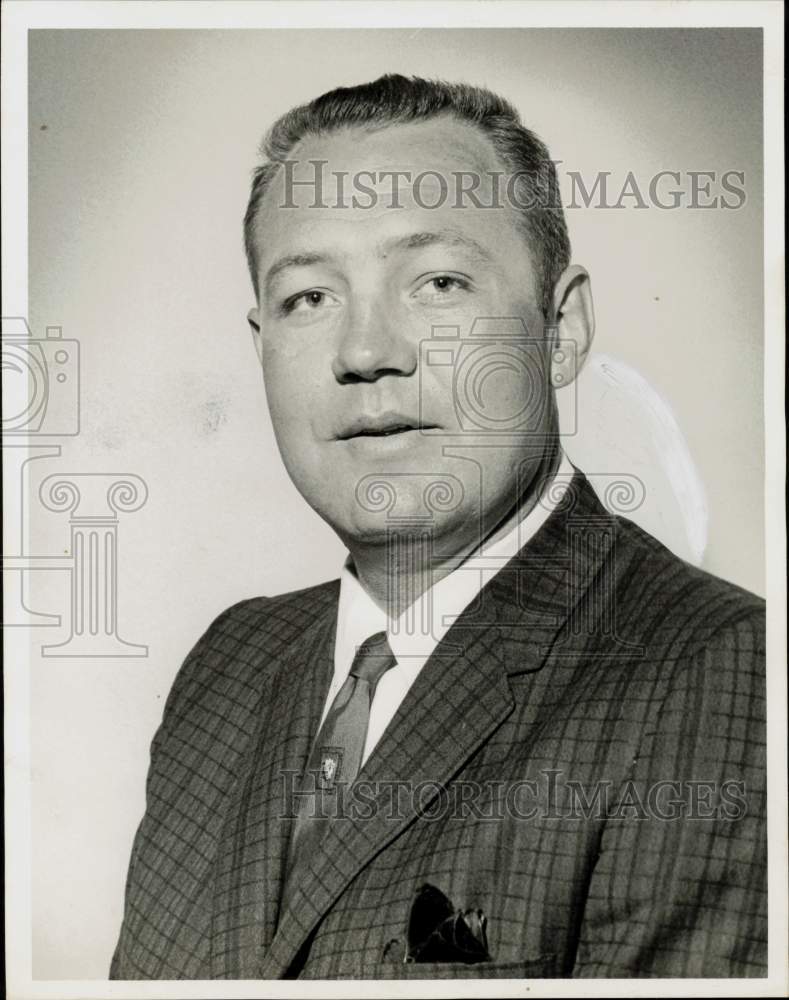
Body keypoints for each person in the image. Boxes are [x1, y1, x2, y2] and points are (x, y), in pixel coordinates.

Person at [110, 75, 766, 980]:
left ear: (560, 328)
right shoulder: (231, 661)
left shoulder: (724, 671)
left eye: (437, 282)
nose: (365, 352)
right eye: (309, 298)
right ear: (260, 341)